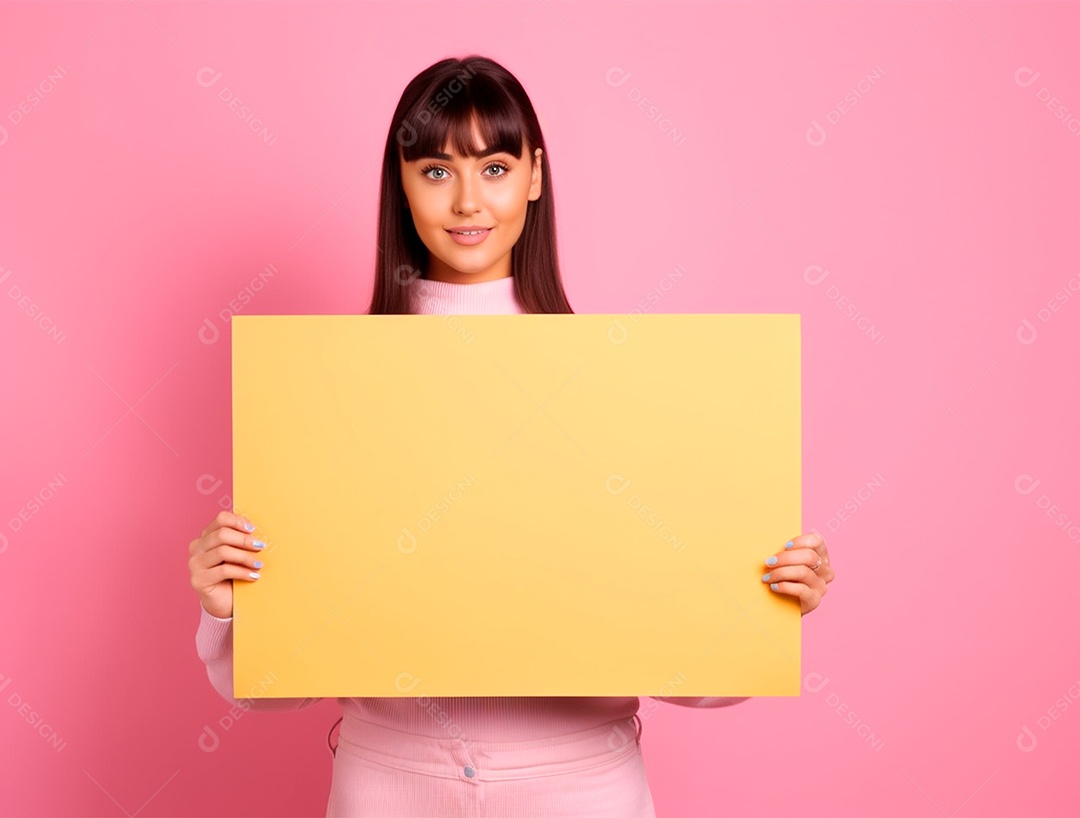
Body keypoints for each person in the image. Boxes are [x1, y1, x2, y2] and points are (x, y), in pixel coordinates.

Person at [189, 54, 835, 818]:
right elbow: (274, 688)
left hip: (582, 790)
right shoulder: (325, 387)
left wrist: (766, 606)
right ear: (401, 183)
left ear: (535, 175)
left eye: (494, 167)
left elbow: (696, 674)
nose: (468, 200)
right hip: (386, 790)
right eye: (436, 170)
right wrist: (228, 611)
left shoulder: (621, 383)